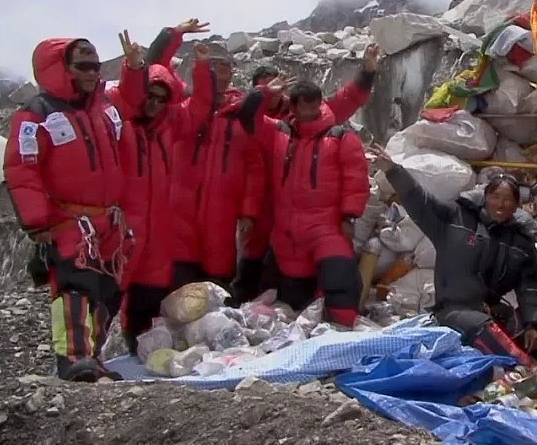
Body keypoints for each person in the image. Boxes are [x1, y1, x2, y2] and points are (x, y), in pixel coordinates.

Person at [4, 33, 147, 381]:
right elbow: (22, 167)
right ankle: (72, 358)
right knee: (75, 287)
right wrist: (38, 221)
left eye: (96, 66)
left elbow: (132, 101)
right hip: (68, 220)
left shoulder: (103, 108)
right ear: (60, 68)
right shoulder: (36, 114)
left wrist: (135, 67)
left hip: (107, 221)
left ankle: (92, 357)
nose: (92, 72)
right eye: (83, 66)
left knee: (107, 290)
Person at [368, 145, 537, 372]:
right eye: (495, 197)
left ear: (517, 205)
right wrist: (393, 170)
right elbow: (420, 200)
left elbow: (531, 287)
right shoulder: (455, 220)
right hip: (453, 312)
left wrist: (534, 323)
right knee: (487, 330)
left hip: (491, 311)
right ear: (485, 198)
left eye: (508, 199)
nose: (501, 204)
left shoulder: (520, 243)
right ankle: (528, 377)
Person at [230, 47, 379, 304]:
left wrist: (367, 73)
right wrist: (248, 210)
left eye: (277, 84)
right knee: (263, 273)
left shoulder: (322, 129)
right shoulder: (275, 128)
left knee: (331, 276)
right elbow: (246, 121)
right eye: (266, 86)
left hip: (305, 216)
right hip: (269, 208)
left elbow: (348, 100)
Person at [145, 18, 263, 288]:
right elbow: (156, 69)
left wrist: (248, 211)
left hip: (222, 212)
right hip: (179, 208)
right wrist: (173, 35)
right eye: (214, 68)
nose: (221, 76)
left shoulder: (241, 114)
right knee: (177, 283)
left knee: (217, 282)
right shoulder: (183, 102)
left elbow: (254, 168)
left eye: (226, 69)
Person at [118, 38, 216, 353]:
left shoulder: (168, 126)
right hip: (124, 222)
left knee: (152, 289)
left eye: (162, 98)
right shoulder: (118, 121)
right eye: (150, 95)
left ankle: (135, 348)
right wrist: (134, 67)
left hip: (158, 224)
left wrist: (201, 68)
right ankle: (95, 351)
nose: (155, 103)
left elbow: (199, 107)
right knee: (113, 289)